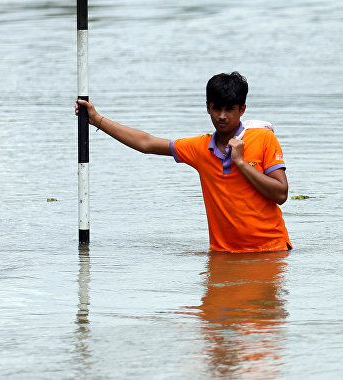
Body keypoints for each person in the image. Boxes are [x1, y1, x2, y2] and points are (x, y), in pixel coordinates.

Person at [75, 72, 291, 253]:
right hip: (224, 254)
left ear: (242, 110)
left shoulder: (263, 138)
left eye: (229, 110)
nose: (222, 116)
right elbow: (146, 143)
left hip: (272, 251)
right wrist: (96, 120)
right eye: (217, 109)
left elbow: (281, 194)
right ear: (208, 107)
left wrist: (241, 163)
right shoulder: (199, 148)